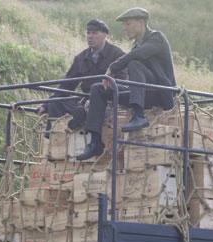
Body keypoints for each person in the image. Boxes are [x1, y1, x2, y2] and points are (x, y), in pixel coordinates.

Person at [76, 7, 177, 161]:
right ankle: (95, 142)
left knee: (134, 63)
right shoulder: (136, 45)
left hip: (160, 94)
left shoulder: (157, 38)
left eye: (128, 24)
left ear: (141, 22)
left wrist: (113, 67)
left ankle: (138, 115)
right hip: (142, 94)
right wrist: (111, 79)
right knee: (99, 88)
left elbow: (138, 55)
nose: (125, 28)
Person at [38, 19, 125, 130]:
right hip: (85, 99)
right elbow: (66, 85)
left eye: (95, 33)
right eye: (88, 33)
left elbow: (123, 81)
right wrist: (46, 104)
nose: (90, 36)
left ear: (105, 35)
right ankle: (57, 140)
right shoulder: (81, 58)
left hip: (107, 100)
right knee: (56, 103)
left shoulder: (117, 54)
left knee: (89, 106)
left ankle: (82, 118)